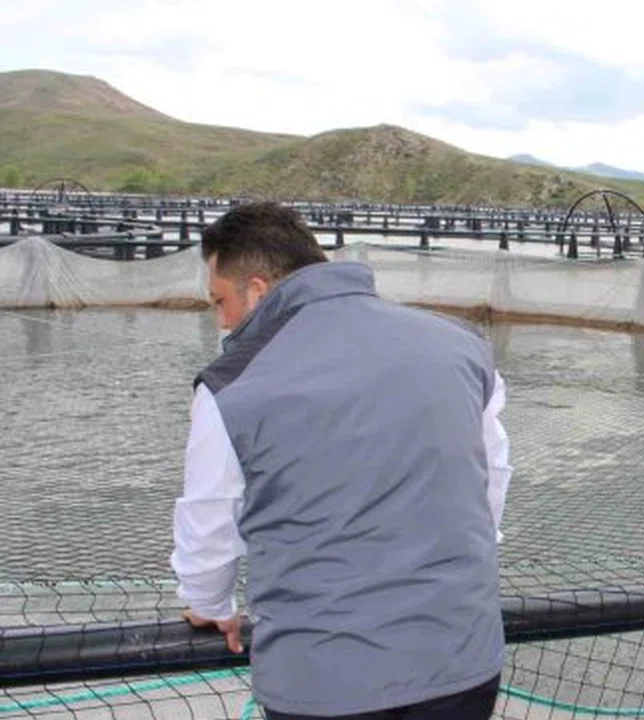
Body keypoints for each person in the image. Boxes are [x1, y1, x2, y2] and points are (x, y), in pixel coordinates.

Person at [169, 202, 512, 720]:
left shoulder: (231, 383)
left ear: (257, 290)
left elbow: (210, 522)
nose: (221, 320)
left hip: (322, 680)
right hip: (462, 662)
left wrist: (210, 604)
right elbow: (491, 485)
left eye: (220, 301)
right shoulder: (462, 345)